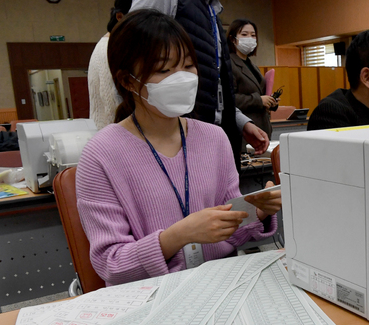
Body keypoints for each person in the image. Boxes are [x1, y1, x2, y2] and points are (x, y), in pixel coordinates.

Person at [76, 10, 281, 286]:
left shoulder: (214, 138)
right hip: (148, 299)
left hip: (217, 286)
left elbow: (230, 235)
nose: (182, 78)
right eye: (164, 70)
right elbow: (111, 264)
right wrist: (178, 236)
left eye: (188, 66)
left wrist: (257, 212)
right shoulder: (101, 154)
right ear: (128, 81)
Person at [128, 0, 269, 169]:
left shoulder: (212, 12)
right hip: (173, 140)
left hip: (215, 139)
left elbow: (217, 89)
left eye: (189, 65)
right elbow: (132, 51)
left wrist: (239, 122)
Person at [227, 19, 277, 152]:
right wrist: (259, 100)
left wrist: (270, 101)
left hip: (262, 127)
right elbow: (229, 99)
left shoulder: (253, 66)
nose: (250, 38)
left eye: (253, 35)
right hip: (245, 132)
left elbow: (260, 93)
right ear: (233, 39)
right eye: (244, 34)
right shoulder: (229, 63)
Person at [88, 0, 133, 130]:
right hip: (115, 136)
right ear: (120, 17)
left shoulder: (111, 44)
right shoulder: (110, 48)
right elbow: (112, 105)